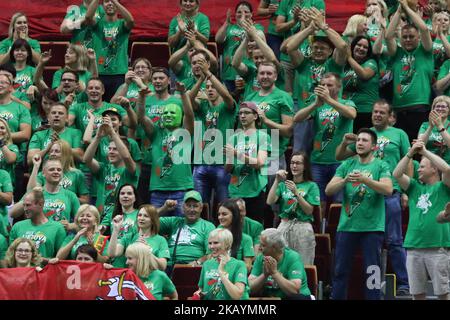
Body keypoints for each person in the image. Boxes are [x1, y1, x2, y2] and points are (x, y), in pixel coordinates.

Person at [335, 100, 411, 295]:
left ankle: (403, 283)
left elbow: (407, 161)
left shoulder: (399, 134)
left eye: (382, 112)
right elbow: (340, 156)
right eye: (375, 112)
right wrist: (345, 142)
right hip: (365, 197)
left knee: (394, 240)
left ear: (390, 116)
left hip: (390, 192)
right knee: (370, 254)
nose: (377, 115)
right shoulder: (364, 136)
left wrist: (406, 191)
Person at [325, 128, 393, 300]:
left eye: (364, 141)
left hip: (372, 227)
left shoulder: (381, 165)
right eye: (359, 140)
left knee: (372, 271)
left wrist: (365, 180)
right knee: (340, 271)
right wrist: (344, 180)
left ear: (374, 147)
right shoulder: (347, 164)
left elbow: (388, 189)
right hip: (347, 226)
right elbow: (328, 190)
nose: (360, 143)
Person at [393, 140, 450, 300]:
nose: (418, 169)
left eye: (422, 166)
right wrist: (411, 153)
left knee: (443, 294)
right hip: (413, 247)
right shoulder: (414, 187)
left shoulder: (444, 187)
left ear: (434, 169)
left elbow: (446, 168)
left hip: (438, 247)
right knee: (416, 294)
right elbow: (396, 174)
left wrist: (424, 152)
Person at [293, 73, 357, 215]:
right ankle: (320, 234)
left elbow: (352, 115)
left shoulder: (347, 103)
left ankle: (335, 235)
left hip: (340, 162)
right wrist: (315, 104)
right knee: (318, 202)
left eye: (329, 85)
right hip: (317, 161)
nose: (325, 88)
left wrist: (329, 100)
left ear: (338, 87)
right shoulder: (317, 104)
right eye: (323, 85)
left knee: (339, 203)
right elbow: (297, 118)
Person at [285, 9, 347, 155]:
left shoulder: (334, 65)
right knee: (299, 154)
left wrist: (324, 26)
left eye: (323, 48)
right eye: (315, 47)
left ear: (330, 51)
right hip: (307, 114)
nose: (318, 50)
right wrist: (310, 29)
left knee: (326, 154)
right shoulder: (304, 64)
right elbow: (290, 47)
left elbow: (343, 46)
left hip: (329, 115)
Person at [136, 82, 194, 216]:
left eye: (173, 112)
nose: (168, 115)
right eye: (165, 112)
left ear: (180, 117)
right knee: (156, 227)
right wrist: (141, 97)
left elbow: (189, 115)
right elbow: (141, 117)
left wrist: (183, 94)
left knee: (179, 229)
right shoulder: (156, 133)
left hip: (181, 189)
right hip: (158, 190)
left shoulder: (186, 133)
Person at [188, 55, 235, 211]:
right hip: (201, 163)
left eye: (213, 87)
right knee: (198, 207)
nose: (210, 89)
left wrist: (209, 74)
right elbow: (189, 99)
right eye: (207, 87)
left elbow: (227, 96)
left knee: (225, 206)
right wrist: (201, 79)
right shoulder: (203, 108)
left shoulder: (227, 108)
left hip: (222, 164)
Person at [385, 0, 433, 141]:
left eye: (411, 36)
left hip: (420, 108)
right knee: (401, 150)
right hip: (398, 110)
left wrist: (406, 7)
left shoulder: (425, 52)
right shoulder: (397, 53)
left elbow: (424, 28)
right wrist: (399, 11)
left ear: (418, 38)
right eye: (404, 37)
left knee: (417, 148)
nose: (407, 39)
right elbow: (388, 36)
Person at [133, 67, 181, 203]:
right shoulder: (145, 100)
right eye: (155, 79)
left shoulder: (176, 101)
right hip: (147, 158)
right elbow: (139, 118)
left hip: (168, 157)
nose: (158, 81)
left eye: (161, 78)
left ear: (169, 81)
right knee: (143, 201)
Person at [267, 151, 320, 265]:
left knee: (304, 264)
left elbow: (309, 210)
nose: (294, 166)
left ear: (305, 166)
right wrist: (276, 180)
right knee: (281, 263)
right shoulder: (283, 185)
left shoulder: (312, 186)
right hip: (284, 225)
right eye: (292, 163)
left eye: (298, 163)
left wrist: (296, 193)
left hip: (303, 227)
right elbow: (270, 201)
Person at [83, 117, 138, 223]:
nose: (111, 152)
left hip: (122, 218)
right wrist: (98, 137)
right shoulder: (104, 168)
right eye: (109, 149)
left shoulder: (130, 170)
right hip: (101, 217)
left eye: (115, 149)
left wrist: (112, 133)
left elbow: (126, 157)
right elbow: (86, 159)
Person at [224, 101, 270, 224]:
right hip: (236, 190)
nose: (242, 116)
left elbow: (259, 162)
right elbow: (228, 169)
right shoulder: (233, 138)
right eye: (240, 113)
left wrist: (236, 153)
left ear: (255, 116)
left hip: (255, 190)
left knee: (255, 226)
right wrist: (229, 157)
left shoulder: (263, 136)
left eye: (246, 113)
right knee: (234, 226)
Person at [13, 157, 80, 232]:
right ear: (43, 174)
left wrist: (70, 226)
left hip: (62, 240)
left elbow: (81, 224)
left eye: (59, 170)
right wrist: (31, 195)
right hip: (37, 236)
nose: (56, 172)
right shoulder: (37, 193)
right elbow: (13, 213)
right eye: (52, 169)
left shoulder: (70, 196)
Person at [89, 0, 135, 102]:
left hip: (119, 73)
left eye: (113, 1)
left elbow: (131, 21)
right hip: (100, 73)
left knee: (117, 107)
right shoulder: (98, 24)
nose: (110, 3)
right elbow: (88, 17)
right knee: (100, 106)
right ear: (102, 5)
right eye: (106, 1)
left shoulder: (122, 24)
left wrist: (116, 3)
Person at [215, 1, 265, 92]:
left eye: (246, 12)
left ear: (251, 14)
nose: (243, 14)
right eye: (239, 12)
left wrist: (244, 25)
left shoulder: (256, 27)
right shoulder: (230, 27)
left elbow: (259, 37)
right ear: (235, 14)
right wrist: (226, 23)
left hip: (248, 72)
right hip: (229, 73)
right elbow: (218, 39)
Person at [249, 228, 311, 299]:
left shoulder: (293, 257)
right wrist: (265, 275)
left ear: (274, 247)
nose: (259, 248)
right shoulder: (261, 257)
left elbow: (294, 291)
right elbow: (249, 288)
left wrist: (275, 273)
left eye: (263, 245)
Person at [158, 191, 215, 268]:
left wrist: (197, 262)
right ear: (183, 208)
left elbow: (211, 253)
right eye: (188, 206)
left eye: (195, 206)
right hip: (169, 265)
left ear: (201, 208)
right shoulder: (173, 221)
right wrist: (164, 208)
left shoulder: (208, 226)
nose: (191, 209)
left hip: (193, 267)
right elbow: (148, 220)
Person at [9, 187, 66, 262]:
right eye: (24, 205)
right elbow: (11, 256)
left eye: (28, 205)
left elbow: (60, 259)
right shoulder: (17, 227)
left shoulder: (57, 228)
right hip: (23, 272)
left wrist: (39, 260)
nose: (25, 209)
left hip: (46, 272)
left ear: (40, 204)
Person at [109, 204, 170, 270]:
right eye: (139, 215)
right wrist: (116, 229)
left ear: (153, 220)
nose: (141, 218)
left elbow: (163, 266)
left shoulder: (160, 240)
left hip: (150, 278)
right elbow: (113, 253)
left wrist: (147, 252)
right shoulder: (129, 237)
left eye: (146, 216)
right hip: (131, 277)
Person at [195, 228, 250, 300]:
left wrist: (221, 273)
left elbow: (237, 295)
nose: (211, 246)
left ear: (227, 244)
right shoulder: (206, 264)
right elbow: (202, 289)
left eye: (215, 243)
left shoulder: (239, 265)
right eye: (210, 243)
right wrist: (198, 294)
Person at [31, 140, 89, 204]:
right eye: (51, 151)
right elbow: (33, 192)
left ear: (66, 154)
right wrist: (36, 166)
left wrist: (67, 197)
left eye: (57, 151)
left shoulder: (77, 174)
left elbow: (85, 200)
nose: (53, 154)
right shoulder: (44, 173)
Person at [343, 35, 380, 132]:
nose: (361, 48)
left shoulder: (371, 63)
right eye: (359, 45)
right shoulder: (345, 66)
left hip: (366, 111)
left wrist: (349, 58)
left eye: (365, 47)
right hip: (348, 110)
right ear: (353, 46)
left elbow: (364, 74)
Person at [212, 199, 255, 272]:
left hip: (236, 278)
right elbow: (210, 258)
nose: (220, 217)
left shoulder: (246, 239)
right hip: (215, 274)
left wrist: (227, 266)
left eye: (224, 214)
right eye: (219, 214)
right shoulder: (214, 236)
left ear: (235, 215)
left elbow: (248, 267)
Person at [418, 95, 450, 164]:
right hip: (428, 165)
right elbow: (419, 145)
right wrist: (431, 126)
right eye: (437, 106)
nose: (440, 109)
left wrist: (440, 125)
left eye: (443, 106)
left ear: (449, 110)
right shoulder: (425, 125)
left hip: (447, 164)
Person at [0, 118, 19, 185]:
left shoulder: (13, 147)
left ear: (7, 132)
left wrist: (1, 143)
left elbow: (10, 159)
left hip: (6, 188)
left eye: (2, 128)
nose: (0, 130)